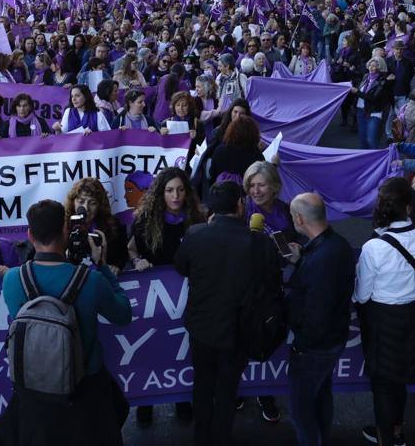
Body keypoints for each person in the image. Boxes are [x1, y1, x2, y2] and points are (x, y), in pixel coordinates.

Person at [0, 199, 132, 446]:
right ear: (65, 231)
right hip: (86, 385)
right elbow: (123, 315)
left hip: (33, 386)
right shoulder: (90, 280)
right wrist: (101, 266)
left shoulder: (13, 279)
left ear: (29, 234)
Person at [174, 181, 282, 446]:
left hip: (202, 328)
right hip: (240, 330)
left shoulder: (195, 235)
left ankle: (202, 438)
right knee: (226, 390)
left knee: (202, 385)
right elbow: (271, 278)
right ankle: (221, 437)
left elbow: (181, 267)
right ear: (240, 205)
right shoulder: (259, 242)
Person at [355, 177, 415, 446]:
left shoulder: (373, 247)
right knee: (402, 379)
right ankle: (397, 432)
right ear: (409, 207)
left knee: (383, 385)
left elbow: (362, 294)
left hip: (382, 320)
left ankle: (385, 440)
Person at [127, 167, 204, 424]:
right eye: (170, 190)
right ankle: (146, 402)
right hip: (155, 299)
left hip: (187, 298)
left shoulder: (195, 219)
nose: (176, 196)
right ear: (160, 193)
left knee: (182, 350)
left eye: (180, 190)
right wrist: (137, 260)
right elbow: (132, 250)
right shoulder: (144, 220)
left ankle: (182, 398)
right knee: (152, 348)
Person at [284, 193, 355, 446]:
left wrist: (302, 344)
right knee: (321, 399)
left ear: (300, 219)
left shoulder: (322, 259)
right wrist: (302, 259)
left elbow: (317, 310)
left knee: (301, 412)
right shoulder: (338, 245)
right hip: (332, 340)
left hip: (314, 347)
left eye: (292, 216)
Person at [64, 178, 129, 274]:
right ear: (73, 202)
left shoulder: (114, 226)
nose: (86, 208)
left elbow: (122, 256)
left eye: (93, 203)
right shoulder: (63, 227)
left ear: (100, 205)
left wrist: (116, 267)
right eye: (81, 202)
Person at [207, 115, 265, 186]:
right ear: (253, 133)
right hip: (245, 194)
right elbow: (264, 177)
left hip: (221, 194)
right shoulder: (256, 155)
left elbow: (212, 175)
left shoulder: (219, 151)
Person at [352, 57, 390, 149]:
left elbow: (374, 98)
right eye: (370, 65)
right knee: (362, 139)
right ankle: (365, 160)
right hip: (361, 110)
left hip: (374, 112)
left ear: (379, 67)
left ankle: (377, 160)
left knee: (371, 139)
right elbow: (360, 90)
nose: (371, 67)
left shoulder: (382, 81)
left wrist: (357, 92)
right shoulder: (365, 76)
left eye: (374, 66)